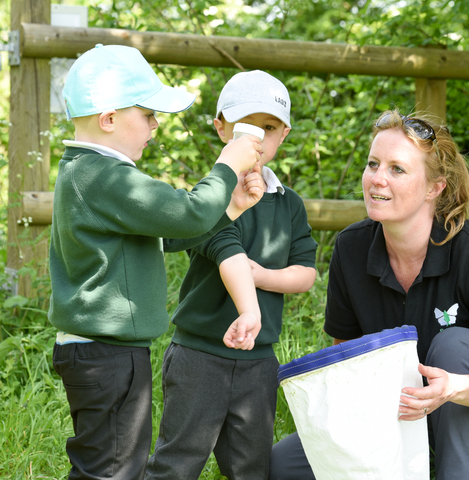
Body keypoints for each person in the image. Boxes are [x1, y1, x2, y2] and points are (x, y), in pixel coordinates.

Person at [268, 110, 469, 480]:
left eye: (397, 169)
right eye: (373, 164)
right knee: (281, 465)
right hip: (413, 409)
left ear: (435, 188)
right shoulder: (351, 248)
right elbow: (353, 371)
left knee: (455, 345)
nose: (377, 179)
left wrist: (453, 388)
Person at [48, 44, 265, 480]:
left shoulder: (91, 173)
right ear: (108, 119)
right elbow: (186, 212)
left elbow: (169, 235)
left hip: (108, 352)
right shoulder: (102, 174)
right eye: (147, 114)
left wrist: (231, 209)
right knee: (110, 471)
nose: (155, 125)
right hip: (107, 354)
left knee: (113, 466)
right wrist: (227, 164)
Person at [145, 70, 318, 480]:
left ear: (284, 134)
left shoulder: (288, 204)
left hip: (259, 359)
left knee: (250, 465)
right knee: (179, 459)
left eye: (269, 128)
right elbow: (214, 247)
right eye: (246, 127)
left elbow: (305, 273)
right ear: (221, 128)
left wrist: (260, 276)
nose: (257, 139)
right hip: (199, 353)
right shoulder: (207, 197)